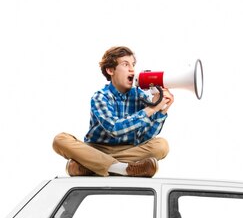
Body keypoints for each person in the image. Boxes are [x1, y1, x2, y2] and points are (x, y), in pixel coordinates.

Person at [53, 46, 173, 177]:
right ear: (110, 70)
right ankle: (122, 168)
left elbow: (145, 137)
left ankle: (91, 164)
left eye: (133, 64)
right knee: (60, 139)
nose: (132, 69)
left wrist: (161, 111)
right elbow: (115, 129)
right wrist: (152, 109)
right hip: (96, 148)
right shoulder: (100, 97)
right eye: (125, 64)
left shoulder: (140, 96)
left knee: (161, 145)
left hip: (129, 149)